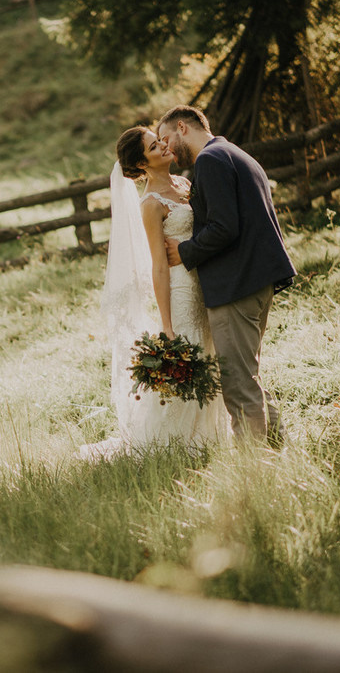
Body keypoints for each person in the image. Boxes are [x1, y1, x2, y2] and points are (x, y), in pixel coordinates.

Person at [78, 126, 229, 461]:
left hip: (208, 284)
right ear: (141, 164)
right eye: (153, 146)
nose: (163, 145)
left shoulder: (185, 185)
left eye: (159, 140)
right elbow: (158, 267)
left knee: (211, 357)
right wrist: (167, 325)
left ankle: (212, 434)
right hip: (182, 293)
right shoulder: (150, 204)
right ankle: (171, 443)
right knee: (191, 363)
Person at [156, 105, 296, 445]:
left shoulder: (210, 160)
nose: (166, 149)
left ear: (182, 127)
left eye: (165, 139)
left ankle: (253, 464)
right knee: (247, 373)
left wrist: (185, 251)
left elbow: (223, 227)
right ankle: (279, 448)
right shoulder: (233, 153)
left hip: (236, 285)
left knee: (237, 383)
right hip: (257, 280)